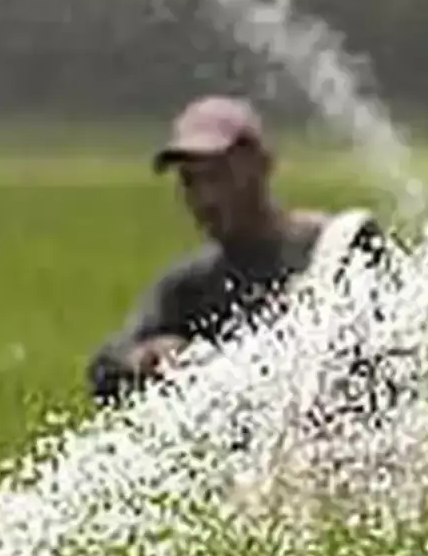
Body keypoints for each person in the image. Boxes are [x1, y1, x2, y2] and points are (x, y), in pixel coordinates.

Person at [86, 95, 396, 406]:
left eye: (219, 176)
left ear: (262, 165)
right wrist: (143, 358)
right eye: (190, 181)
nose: (205, 197)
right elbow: (105, 366)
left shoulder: (338, 250)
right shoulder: (191, 286)